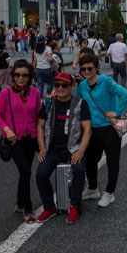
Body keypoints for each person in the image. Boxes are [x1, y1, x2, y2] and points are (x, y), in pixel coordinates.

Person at [34, 73, 92, 225]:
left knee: (79, 170)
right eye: (57, 85)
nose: (60, 88)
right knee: (41, 174)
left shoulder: (80, 103)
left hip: (73, 148)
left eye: (64, 85)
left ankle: (74, 205)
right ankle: (49, 207)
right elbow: (40, 125)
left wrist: (80, 151)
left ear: (72, 86)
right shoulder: (48, 103)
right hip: (52, 149)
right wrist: (41, 148)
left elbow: (87, 129)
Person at [77, 54, 127, 207]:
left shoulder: (105, 81)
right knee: (90, 161)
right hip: (92, 129)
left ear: (97, 68)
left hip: (109, 128)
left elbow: (125, 95)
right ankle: (93, 188)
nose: (87, 71)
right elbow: (73, 99)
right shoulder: (82, 86)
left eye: (90, 68)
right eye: (83, 69)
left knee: (112, 161)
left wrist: (118, 112)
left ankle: (109, 192)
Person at [0, 60, 42, 224]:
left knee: (24, 172)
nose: (20, 78)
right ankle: (28, 207)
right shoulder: (5, 93)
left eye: (24, 75)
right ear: (13, 76)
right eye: (17, 75)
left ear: (30, 76)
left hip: (31, 138)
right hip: (14, 140)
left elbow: (37, 115)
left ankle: (19, 204)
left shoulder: (35, 92)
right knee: (26, 171)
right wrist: (6, 129)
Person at [32, 36, 55, 102]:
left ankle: (40, 98)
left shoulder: (35, 49)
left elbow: (34, 60)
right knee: (50, 82)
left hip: (39, 68)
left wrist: (34, 68)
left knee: (40, 84)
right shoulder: (48, 49)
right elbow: (49, 59)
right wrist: (54, 57)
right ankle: (48, 96)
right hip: (47, 68)